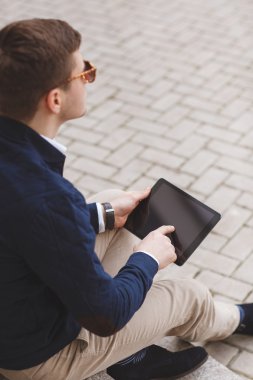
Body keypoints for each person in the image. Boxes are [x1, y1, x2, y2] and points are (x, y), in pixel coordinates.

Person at [0, 18, 252, 380]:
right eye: (84, 73)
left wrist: (102, 215)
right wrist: (147, 259)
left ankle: (128, 354)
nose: (89, 77)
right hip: (38, 357)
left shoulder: (21, 167)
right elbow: (105, 315)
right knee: (188, 295)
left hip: (16, 315)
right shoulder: (47, 197)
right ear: (55, 99)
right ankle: (235, 319)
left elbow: (25, 222)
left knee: (110, 201)